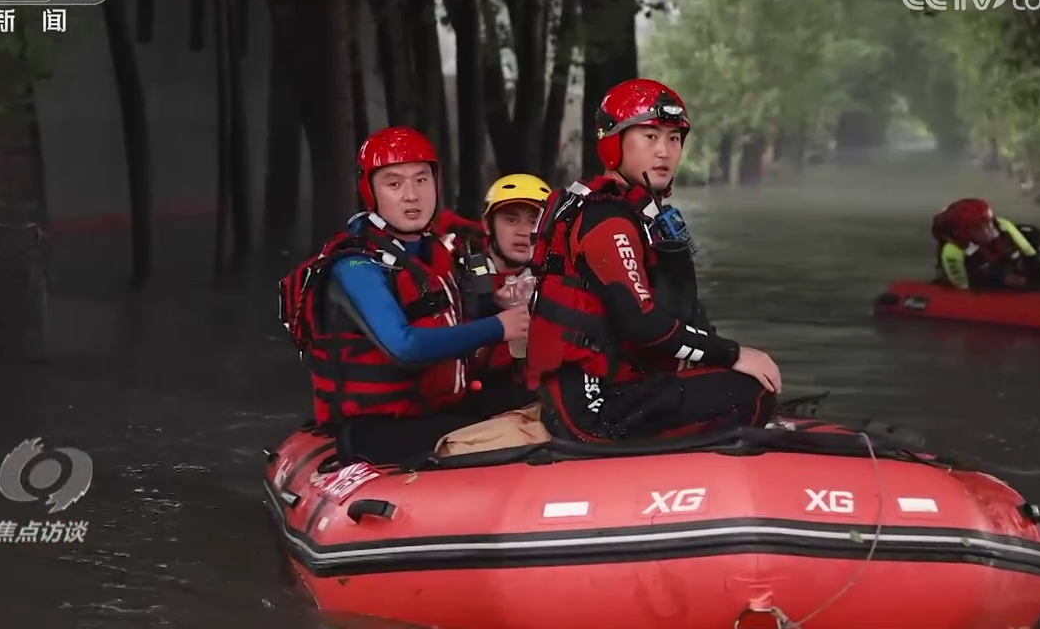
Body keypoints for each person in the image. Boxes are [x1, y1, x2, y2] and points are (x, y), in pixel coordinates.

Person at [525, 78, 781, 443]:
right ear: (613, 142)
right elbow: (641, 322)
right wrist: (733, 354)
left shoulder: (640, 214)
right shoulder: (607, 220)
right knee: (751, 393)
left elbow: (683, 312)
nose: (665, 152)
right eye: (650, 136)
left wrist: (715, 353)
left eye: (674, 138)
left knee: (737, 379)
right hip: (595, 412)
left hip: (625, 390)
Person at [278, 127, 532, 461]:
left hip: (432, 409)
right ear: (370, 191)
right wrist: (499, 326)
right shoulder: (355, 266)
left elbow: (458, 316)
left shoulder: (435, 252)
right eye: (394, 184)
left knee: (541, 401)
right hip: (377, 430)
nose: (412, 195)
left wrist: (501, 304)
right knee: (524, 436)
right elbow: (404, 347)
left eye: (421, 180)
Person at [466, 174, 552, 396]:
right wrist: (492, 305)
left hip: (530, 400)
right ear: (488, 224)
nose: (523, 231)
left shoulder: (557, 280)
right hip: (469, 402)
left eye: (533, 221)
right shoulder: (458, 272)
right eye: (511, 220)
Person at [930, 198, 1040, 290]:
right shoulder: (952, 252)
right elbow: (963, 289)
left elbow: (1030, 255)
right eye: (978, 228)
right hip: (978, 277)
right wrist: (1002, 280)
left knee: (1035, 236)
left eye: (988, 223)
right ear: (964, 233)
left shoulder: (1003, 225)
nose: (988, 230)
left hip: (1002, 267)